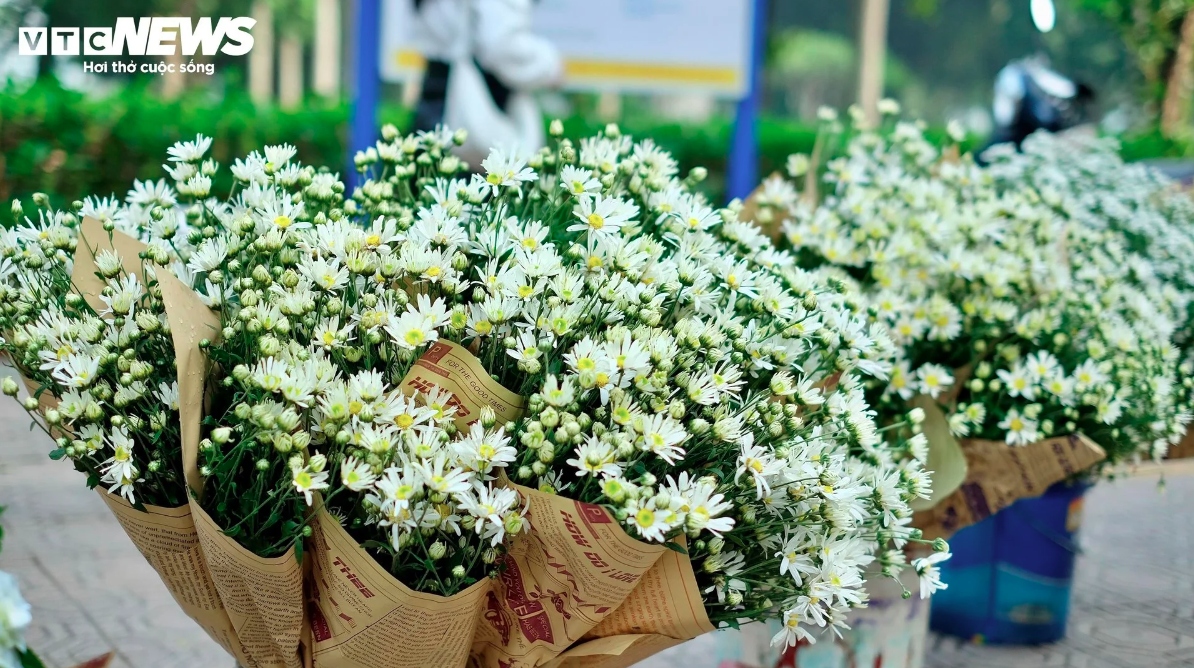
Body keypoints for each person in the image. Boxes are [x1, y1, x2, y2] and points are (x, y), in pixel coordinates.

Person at [411, 0, 563, 165]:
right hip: (480, 92)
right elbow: (501, 45)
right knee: (476, 179)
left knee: (431, 173)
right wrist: (550, 65)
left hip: (443, 85)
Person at [980, 57, 1095, 160]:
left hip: (1021, 131)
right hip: (1032, 130)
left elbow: (1005, 114)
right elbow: (1066, 89)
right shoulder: (1032, 74)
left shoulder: (1016, 73)